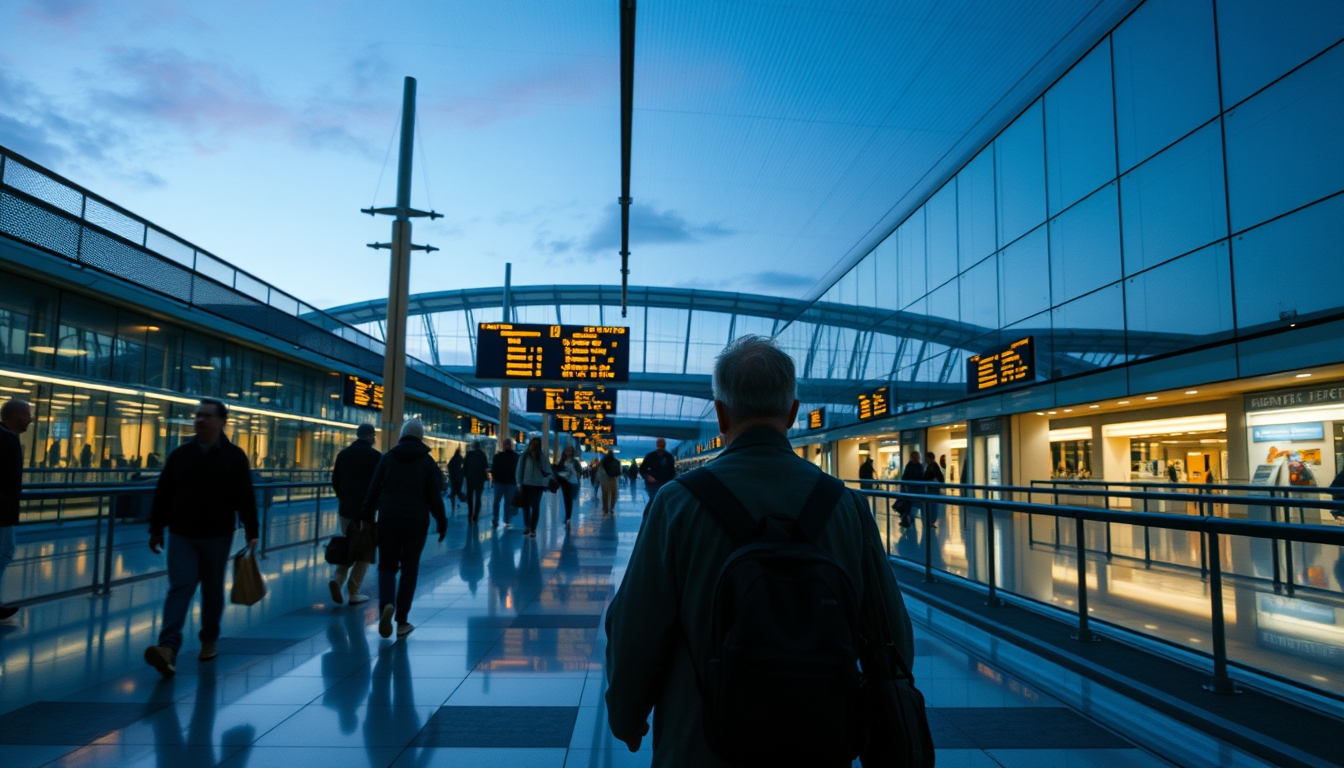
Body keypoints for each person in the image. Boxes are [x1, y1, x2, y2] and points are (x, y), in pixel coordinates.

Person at [604, 335, 914, 765]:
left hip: (701, 743)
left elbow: (637, 626)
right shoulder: (847, 506)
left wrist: (627, 714)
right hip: (818, 740)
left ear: (721, 414)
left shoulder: (676, 504)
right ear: (792, 412)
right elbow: (891, 634)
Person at [144, 399, 259, 677]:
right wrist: (156, 528)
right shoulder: (181, 455)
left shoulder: (234, 456)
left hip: (217, 533)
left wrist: (252, 529)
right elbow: (164, 492)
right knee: (180, 586)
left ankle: (209, 639)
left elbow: (245, 495)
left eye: (207, 416)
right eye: (198, 415)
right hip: (182, 532)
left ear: (222, 422)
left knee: (211, 588)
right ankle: (168, 646)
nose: (200, 420)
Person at [360, 419, 447, 639]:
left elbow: (373, 489)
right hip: (416, 520)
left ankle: (386, 606)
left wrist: (366, 516)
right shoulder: (427, 461)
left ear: (401, 436)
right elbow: (434, 495)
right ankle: (402, 621)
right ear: (421, 437)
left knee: (387, 566)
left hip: (388, 517)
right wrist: (441, 520)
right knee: (409, 568)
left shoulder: (387, 457)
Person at [328, 424, 380, 606]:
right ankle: (353, 591)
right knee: (364, 551)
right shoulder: (375, 456)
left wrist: (344, 498)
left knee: (348, 545)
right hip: (365, 512)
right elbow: (379, 484)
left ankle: (338, 579)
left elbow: (335, 481)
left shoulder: (343, 454)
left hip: (346, 510)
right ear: (371, 436)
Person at [0, 400, 34, 622]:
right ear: (17, 416)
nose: (31, 419)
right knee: (5, 551)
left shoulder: (8, 438)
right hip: (3, 511)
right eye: (28, 414)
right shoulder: (4, 440)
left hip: (5, 509)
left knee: (5, 550)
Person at [515, 437, 553, 538]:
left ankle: (533, 528)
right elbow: (519, 469)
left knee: (535, 506)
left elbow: (547, 470)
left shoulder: (541, 456)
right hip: (526, 484)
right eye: (533, 444)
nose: (534, 446)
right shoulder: (524, 455)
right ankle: (527, 526)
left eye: (536, 444)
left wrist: (546, 481)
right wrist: (519, 482)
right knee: (526, 506)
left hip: (538, 485)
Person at [491, 438, 519, 529]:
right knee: (508, 502)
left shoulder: (497, 457)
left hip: (500, 482)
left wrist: (494, 479)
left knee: (497, 501)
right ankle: (507, 520)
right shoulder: (516, 457)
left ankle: (496, 518)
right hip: (511, 483)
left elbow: (494, 469)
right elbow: (518, 471)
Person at [639, 438, 678, 504]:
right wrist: (648, 476)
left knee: (661, 500)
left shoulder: (668, 457)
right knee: (655, 500)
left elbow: (672, 471)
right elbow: (642, 469)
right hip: (654, 483)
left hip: (664, 482)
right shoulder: (651, 456)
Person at [555, 445, 582, 527]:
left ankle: (568, 517)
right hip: (565, 482)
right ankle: (568, 518)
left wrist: (576, 474)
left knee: (569, 500)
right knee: (567, 500)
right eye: (567, 450)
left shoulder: (575, 461)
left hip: (573, 482)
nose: (568, 452)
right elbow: (558, 469)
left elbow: (580, 471)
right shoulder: (562, 460)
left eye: (570, 450)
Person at [463, 441, 489, 522]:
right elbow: (486, 466)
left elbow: (465, 466)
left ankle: (470, 512)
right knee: (478, 497)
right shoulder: (482, 455)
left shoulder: (469, 454)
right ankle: (475, 514)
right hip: (479, 479)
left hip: (470, 479)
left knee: (470, 497)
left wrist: (465, 475)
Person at [898, 449, 924, 528]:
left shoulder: (919, 466)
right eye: (915, 457)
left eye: (917, 457)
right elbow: (905, 477)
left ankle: (911, 521)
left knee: (914, 507)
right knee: (911, 507)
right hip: (911, 490)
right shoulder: (910, 466)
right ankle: (910, 521)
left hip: (917, 490)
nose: (917, 458)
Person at [922, 450, 945, 527]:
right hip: (932, 489)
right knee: (932, 506)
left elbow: (940, 478)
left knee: (933, 506)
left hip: (932, 489)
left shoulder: (933, 466)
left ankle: (931, 521)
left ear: (929, 458)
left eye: (926, 458)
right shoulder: (930, 466)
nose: (925, 459)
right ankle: (931, 521)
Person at [599, 450, 621, 515]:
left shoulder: (603, 461)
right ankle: (612, 508)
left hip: (605, 479)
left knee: (605, 495)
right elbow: (619, 472)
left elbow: (601, 470)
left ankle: (605, 509)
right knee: (614, 494)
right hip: (614, 479)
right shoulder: (617, 462)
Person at [447, 447, 466, 513]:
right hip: (459, 478)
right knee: (458, 491)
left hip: (453, 478)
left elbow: (449, 466)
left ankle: (453, 505)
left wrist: (451, 472)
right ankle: (461, 500)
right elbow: (464, 466)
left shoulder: (453, 458)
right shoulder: (460, 458)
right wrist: (462, 473)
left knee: (453, 491)